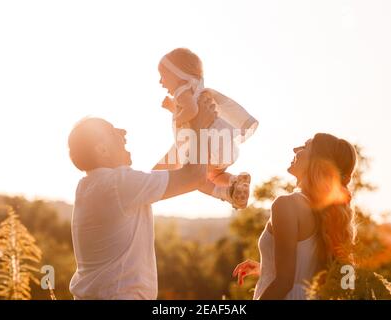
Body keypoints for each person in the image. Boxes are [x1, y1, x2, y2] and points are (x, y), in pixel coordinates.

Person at [67, 97, 216, 299]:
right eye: (113, 132)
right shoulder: (118, 185)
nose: (123, 132)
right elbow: (194, 177)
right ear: (102, 150)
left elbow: (160, 176)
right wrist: (200, 127)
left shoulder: (92, 186)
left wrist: (186, 137)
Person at [233, 133, 357, 299]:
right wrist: (267, 268)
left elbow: (284, 283)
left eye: (305, 147)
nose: (295, 149)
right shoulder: (324, 212)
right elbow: (308, 271)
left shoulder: (286, 204)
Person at [155, 48, 259, 209]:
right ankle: (235, 181)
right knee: (216, 174)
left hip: (207, 141)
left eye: (163, 76)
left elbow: (192, 111)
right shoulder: (196, 89)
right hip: (222, 143)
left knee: (195, 177)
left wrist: (176, 116)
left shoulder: (181, 92)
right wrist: (173, 109)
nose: (160, 82)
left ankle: (222, 193)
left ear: (177, 74)